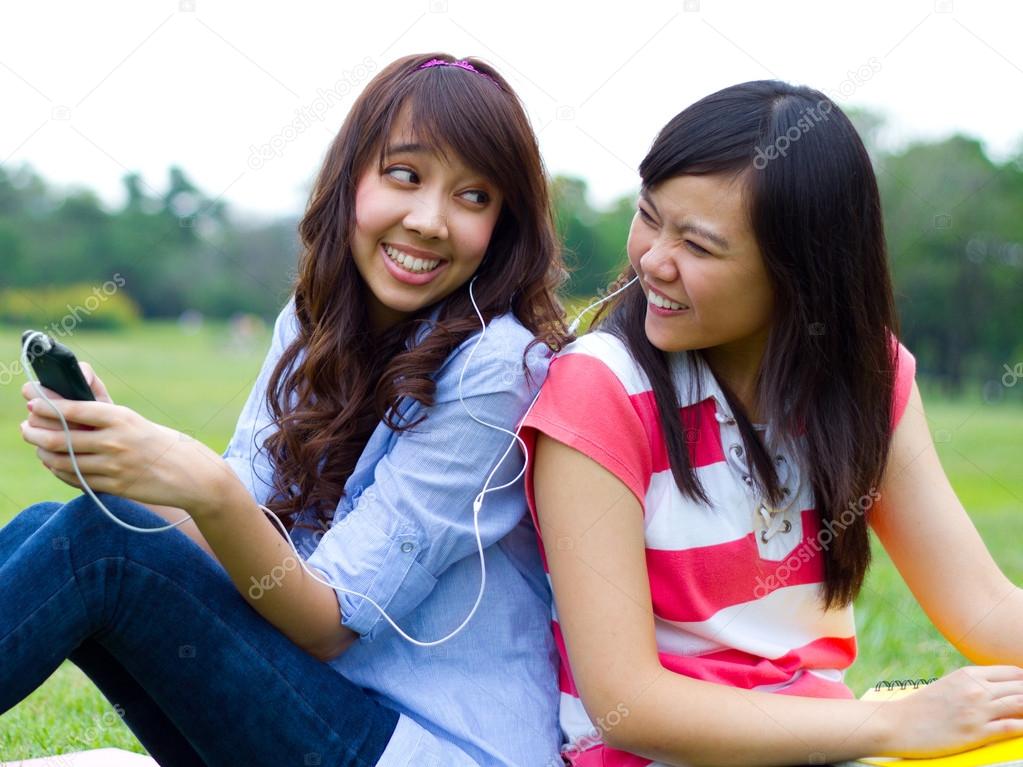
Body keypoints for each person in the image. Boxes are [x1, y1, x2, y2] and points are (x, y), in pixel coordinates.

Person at [6, 52, 569, 766]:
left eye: (474, 197)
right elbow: (242, 532)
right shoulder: (311, 326)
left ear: (504, 226)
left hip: (427, 743)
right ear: (352, 176)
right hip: (313, 708)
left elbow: (330, 621)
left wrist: (196, 483)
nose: (429, 220)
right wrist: (126, 464)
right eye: (406, 175)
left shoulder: (495, 366)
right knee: (56, 526)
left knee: (99, 545)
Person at [521, 80, 1023, 766]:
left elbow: (983, 606)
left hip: (824, 744)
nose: (651, 261)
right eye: (649, 216)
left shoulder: (863, 379)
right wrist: (892, 724)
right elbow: (626, 705)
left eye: (698, 246)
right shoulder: (599, 389)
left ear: (799, 273)